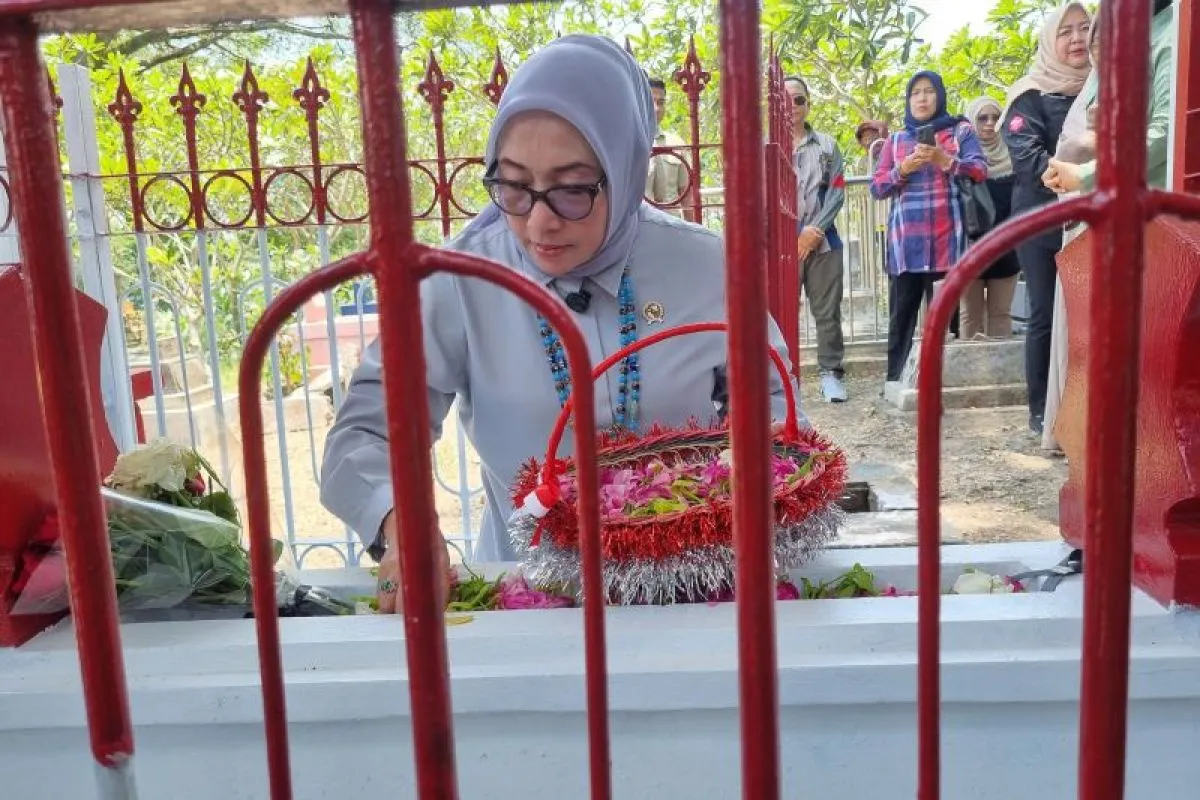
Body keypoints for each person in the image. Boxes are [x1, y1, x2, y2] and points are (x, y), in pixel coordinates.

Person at [320, 35, 798, 613]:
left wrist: (749, 472)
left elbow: (772, 406)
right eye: (514, 185)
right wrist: (402, 522)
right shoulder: (459, 279)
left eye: (572, 190)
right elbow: (366, 433)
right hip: (533, 599)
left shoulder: (705, 268)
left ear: (624, 168)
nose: (539, 223)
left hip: (696, 591)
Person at [1039, 0, 1176, 451]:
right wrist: (1073, 166)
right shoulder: (1124, 36)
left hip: (1154, 221)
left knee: (1147, 352)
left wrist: (1088, 174)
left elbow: (1166, 132)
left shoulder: (1173, 32)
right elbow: (1096, 127)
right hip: (1106, 218)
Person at [1001, 2, 1092, 436]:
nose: (1076, 39)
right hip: (1041, 220)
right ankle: (1042, 410)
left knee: (1088, 316)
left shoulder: (1102, 85)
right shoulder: (1029, 94)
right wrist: (1075, 178)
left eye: (1084, 28)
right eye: (1065, 31)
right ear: (1050, 41)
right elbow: (1027, 158)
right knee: (1045, 312)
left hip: (1091, 216)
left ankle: (1081, 406)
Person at [870, 70, 989, 383]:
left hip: (947, 242)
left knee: (947, 318)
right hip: (906, 246)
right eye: (915, 93)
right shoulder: (896, 140)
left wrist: (944, 159)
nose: (922, 98)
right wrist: (902, 169)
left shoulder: (960, 131)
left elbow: (979, 170)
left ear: (940, 95)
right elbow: (877, 187)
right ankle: (895, 382)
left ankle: (944, 383)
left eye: (929, 91)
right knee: (901, 319)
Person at [784, 76, 849, 403]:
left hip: (823, 243)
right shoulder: (765, 147)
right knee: (780, 314)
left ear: (808, 104)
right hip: (782, 248)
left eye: (799, 99)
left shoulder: (827, 145)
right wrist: (793, 235)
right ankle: (782, 377)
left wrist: (812, 232)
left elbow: (837, 192)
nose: (793, 106)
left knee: (827, 313)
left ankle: (831, 374)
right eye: (786, 99)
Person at [961, 97, 1020, 339]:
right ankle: (968, 365)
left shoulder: (1015, 154)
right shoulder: (963, 159)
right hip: (971, 248)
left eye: (996, 118)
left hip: (1007, 247)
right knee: (970, 316)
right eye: (982, 118)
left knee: (1001, 314)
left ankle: (1001, 365)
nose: (989, 123)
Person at [645, 77, 696, 220]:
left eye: (661, 103)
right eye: (651, 102)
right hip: (640, 226)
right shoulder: (628, 144)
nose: (656, 108)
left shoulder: (676, 143)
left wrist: (692, 228)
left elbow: (686, 195)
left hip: (671, 224)